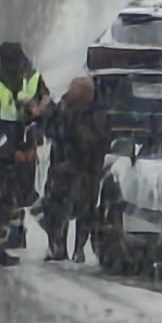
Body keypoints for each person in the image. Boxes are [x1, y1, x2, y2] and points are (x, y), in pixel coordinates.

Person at [0, 42, 51, 269]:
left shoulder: (29, 82)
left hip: (19, 150)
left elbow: (45, 110)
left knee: (12, 200)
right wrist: (10, 151)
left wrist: (35, 129)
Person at [38, 74, 111, 264]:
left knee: (85, 210)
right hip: (60, 167)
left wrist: (72, 128)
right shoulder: (63, 106)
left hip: (85, 170)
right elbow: (52, 130)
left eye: (77, 94)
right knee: (53, 206)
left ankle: (80, 248)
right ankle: (57, 245)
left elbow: (93, 140)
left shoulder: (97, 113)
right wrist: (48, 116)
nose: (73, 96)